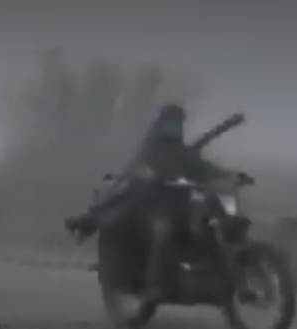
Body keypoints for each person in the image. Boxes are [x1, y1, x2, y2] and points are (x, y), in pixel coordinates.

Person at [66, 104, 234, 303]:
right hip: (153, 203)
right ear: (163, 123)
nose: (175, 127)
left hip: (180, 204)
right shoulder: (151, 148)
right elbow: (138, 167)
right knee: (161, 230)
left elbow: (202, 168)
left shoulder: (183, 152)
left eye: (178, 122)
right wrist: (147, 176)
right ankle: (154, 284)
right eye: (172, 121)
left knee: (209, 225)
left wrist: (228, 175)